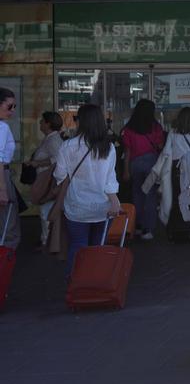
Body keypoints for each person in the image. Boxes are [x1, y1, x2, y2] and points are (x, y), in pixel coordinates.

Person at [55, 104, 121, 274]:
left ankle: (75, 282)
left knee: (77, 246)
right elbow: (110, 179)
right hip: (103, 207)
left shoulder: (67, 146)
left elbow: (60, 175)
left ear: (81, 122)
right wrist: (115, 202)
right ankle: (95, 282)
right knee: (98, 247)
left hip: (77, 206)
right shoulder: (109, 147)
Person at [120, 99, 165, 240]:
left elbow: (127, 151)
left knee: (137, 195)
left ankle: (137, 226)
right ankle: (149, 229)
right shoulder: (155, 127)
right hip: (151, 163)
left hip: (135, 164)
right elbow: (160, 146)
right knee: (150, 196)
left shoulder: (129, 128)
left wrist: (126, 170)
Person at [29, 112, 65, 248]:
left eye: (42, 121)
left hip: (48, 180)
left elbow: (57, 159)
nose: (40, 124)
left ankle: (47, 239)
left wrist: (38, 163)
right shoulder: (50, 138)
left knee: (46, 210)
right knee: (47, 209)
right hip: (46, 179)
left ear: (48, 124)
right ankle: (48, 238)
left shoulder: (53, 140)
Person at [0, 88, 20, 251]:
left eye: (14, 106)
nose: (12, 110)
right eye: (9, 106)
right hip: (2, 175)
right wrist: (3, 189)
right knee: (8, 222)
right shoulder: (2, 127)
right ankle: (6, 259)